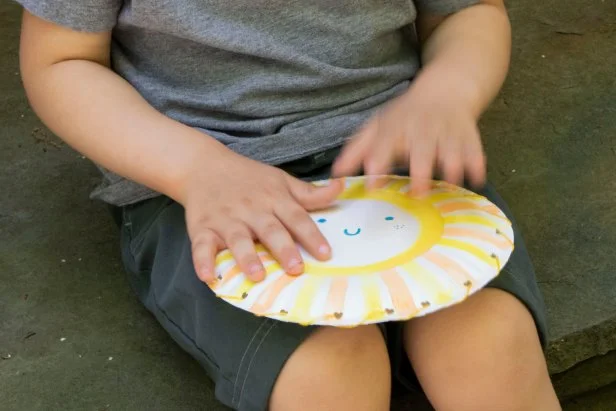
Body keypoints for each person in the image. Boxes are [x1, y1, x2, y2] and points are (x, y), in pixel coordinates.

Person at [17, 0, 561, 410]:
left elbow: (466, 12)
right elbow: (62, 60)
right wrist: (194, 169)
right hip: (198, 176)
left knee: (489, 344)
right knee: (328, 371)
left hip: (395, 156)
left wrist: (448, 92)